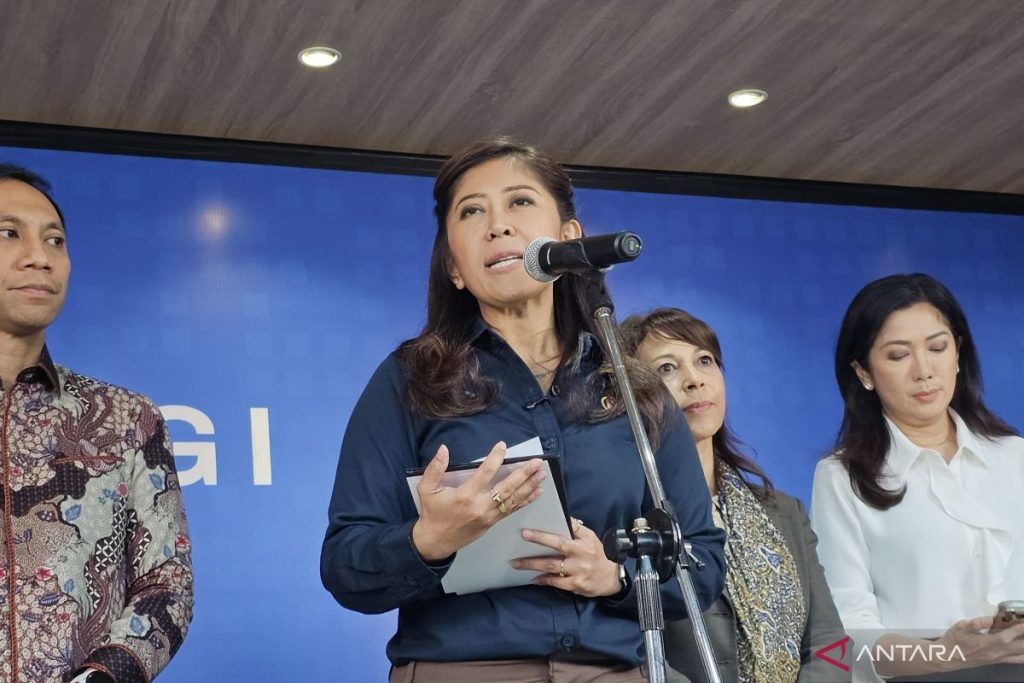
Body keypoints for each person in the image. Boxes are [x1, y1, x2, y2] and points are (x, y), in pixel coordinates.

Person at [320, 139, 725, 682]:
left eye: (520, 201)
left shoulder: (637, 391)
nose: (497, 226)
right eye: (472, 212)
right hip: (464, 669)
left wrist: (616, 578)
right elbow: (345, 565)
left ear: (569, 238)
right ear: (453, 266)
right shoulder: (409, 380)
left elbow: (703, 562)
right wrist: (431, 540)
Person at [0, 164, 194, 683]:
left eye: (55, 240)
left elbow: (167, 584)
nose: (40, 257)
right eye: (9, 233)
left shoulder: (126, 418)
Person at [811, 273, 1024, 682]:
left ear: (958, 353)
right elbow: (844, 634)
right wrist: (945, 654)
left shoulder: (1015, 456)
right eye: (898, 356)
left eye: (938, 348)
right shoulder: (842, 477)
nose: (924, 371)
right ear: (863, 372)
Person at [621, 307, 848, 683]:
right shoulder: (630, 522)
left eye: (704, 361)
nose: (694, 380)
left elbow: (831, 643)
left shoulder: (785, 513)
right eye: (667, 368)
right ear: (634, 396)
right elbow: (631, 654)